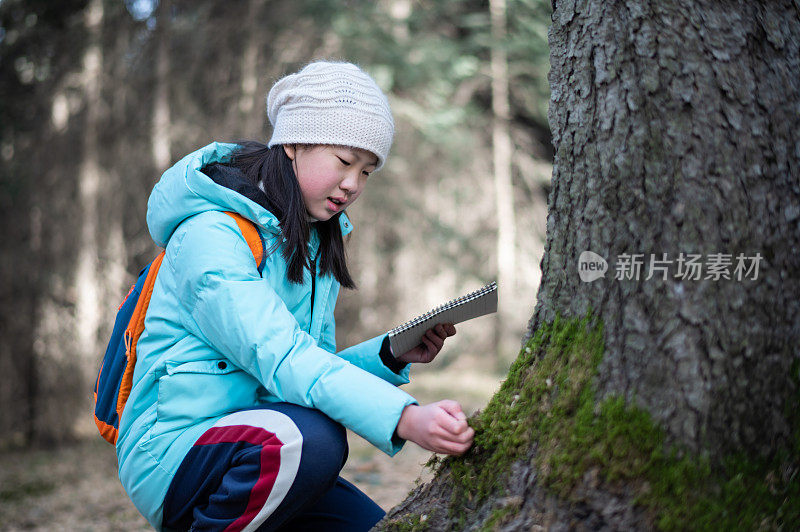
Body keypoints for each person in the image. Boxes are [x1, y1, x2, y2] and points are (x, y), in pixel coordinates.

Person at [116, 60, 475, 531]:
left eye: (367, 171)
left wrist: (388, 354)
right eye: (345, 162)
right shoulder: (211, 236)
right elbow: (284, 358)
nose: (353, 185)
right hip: (174, 452)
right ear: (292, 142)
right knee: (315, 440)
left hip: (262, 439)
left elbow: (306, 371)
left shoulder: (308, 243)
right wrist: (403, 418)